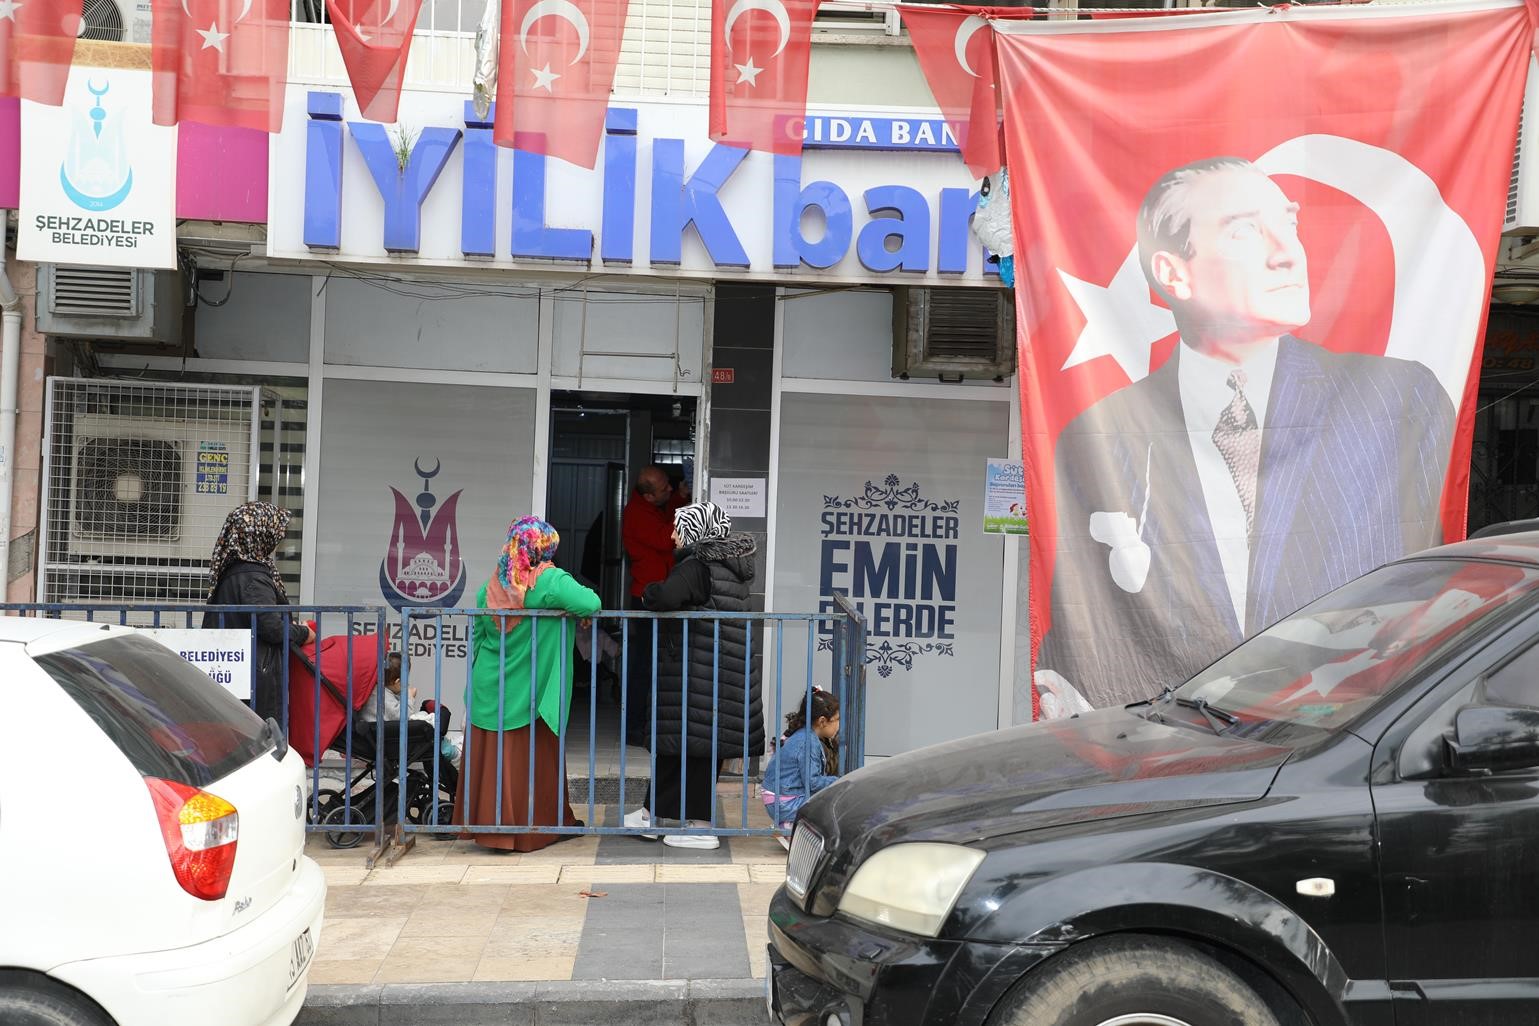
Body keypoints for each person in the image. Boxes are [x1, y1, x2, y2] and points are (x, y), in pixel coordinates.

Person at [1037, 156, 1456, 712]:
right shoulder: (1102, 435)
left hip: (1345, 771)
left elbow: (1434, 598)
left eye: (1289, 224)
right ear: (1174, 273)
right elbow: (1082, 624)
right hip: (1168, 767)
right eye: (1244, 230)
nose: (1286, 253)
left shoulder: (1397, 402)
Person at [625, 500, 763, 850]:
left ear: (696, 531)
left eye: (678, 528)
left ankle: (700, 828)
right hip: (714, 673)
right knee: (682, 747)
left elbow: (666, 595)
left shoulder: (697, 565)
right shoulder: (729, 567)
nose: (672, 536)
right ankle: (651, 813)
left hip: (700, 673)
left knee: (694, 749)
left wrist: (648, 593)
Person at [458, 516, 601, 852]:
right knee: (531, 761)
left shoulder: (490, 586)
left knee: (492, 760)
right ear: (543, 548)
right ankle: (530, 830)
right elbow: (591, 603)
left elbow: (478, 638)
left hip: (489, 687)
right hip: (529, 692)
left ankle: (489, 829)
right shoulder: (548, 581)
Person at [204, 501, 312, 723]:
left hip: (244, 674)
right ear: (261, 535)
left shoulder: (235, 570)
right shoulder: (253, 576)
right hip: (256, 679)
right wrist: (303, 633)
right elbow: (270, 627)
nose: (278, 541)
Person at [620, 465, 681, 745]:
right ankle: (634, 727)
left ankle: (644, 725)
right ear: (647, 496)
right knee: (645, 664)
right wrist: (685, 507)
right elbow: (665, 538)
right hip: (648, 598)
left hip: (658, 594)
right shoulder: (637, 515)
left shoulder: (649, 509)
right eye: (664, 488)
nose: (670, 489)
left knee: (653, 663)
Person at [760, 689, 841, 848]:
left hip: (780, 797)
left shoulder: (805, 735)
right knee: (829, 802)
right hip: (782, 801)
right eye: (837, 719)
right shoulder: (808, 742)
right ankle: (789, 828)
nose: (839, 725)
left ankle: (790, 825)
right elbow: (813, 783)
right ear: (823, 721)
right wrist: (839, 781)